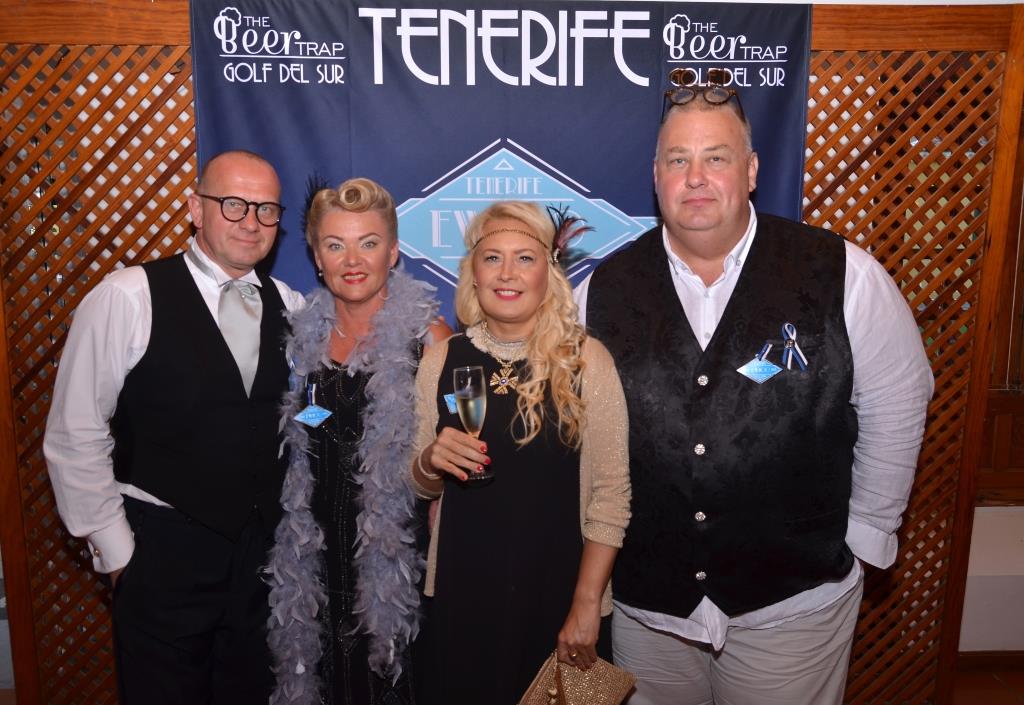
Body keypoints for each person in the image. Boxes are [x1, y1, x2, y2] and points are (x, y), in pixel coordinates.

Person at [574, 77, 935, 705]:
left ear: (751, 172)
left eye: (715, 157)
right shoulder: (599, 291)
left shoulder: (841, 272)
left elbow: (899, 397)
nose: (695, 177)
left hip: (792, 608)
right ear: (655, 177)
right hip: (649, 611)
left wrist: (865, 534)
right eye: (677, 160)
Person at [43, 150, 306, 704]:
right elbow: (75, 433)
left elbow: (301, 418)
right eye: (233, 204)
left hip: (261, 563)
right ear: (195, 208)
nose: (251, 221)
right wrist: (119, 555)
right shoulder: (127, 296)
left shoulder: (292, 306)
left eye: (266, 209)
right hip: (162, 553)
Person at [409, 200, 632, 705]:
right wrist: (429, 461)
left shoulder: (586, 360)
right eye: (492, 258)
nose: (506, 273)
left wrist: (586, 605)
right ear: (473, 273)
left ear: (548, 273)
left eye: (524, 258)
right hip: (463, 594)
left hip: (556, 596)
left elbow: (611, 496)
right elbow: (418, 482)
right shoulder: (442, 358)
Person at [265, 177, 451, 705]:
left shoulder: (431, 341)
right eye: (335, 244)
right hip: (314, 569)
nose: (352, 260)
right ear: (316, 257)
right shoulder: (299, 340)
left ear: (392, 253)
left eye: (368, 243)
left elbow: (457, 459)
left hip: (401, 572)